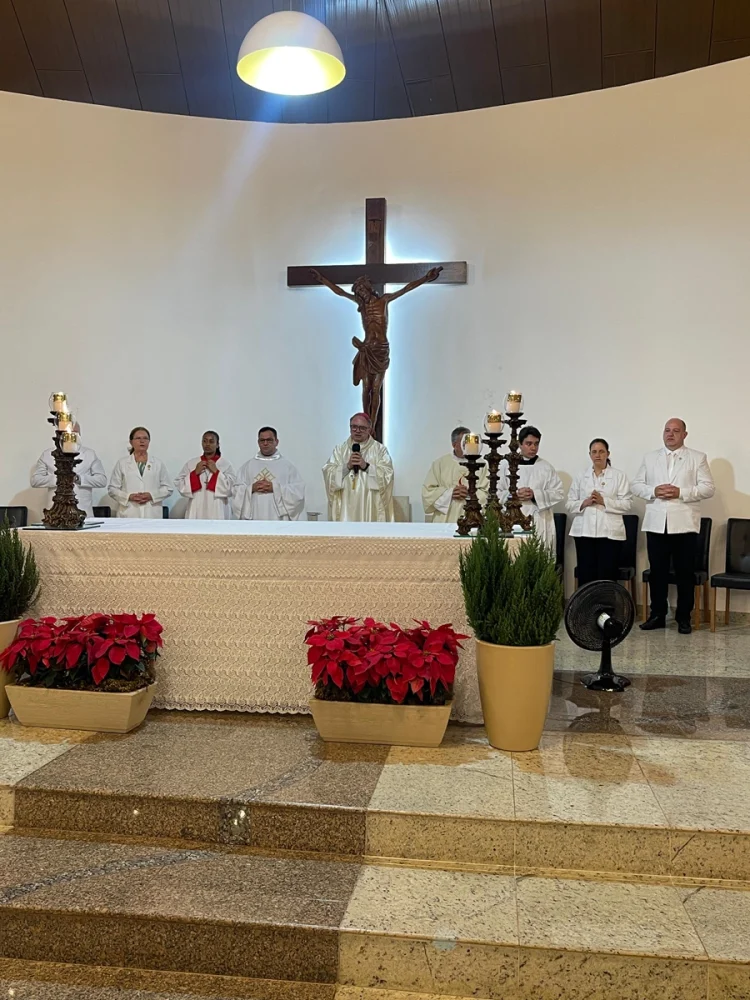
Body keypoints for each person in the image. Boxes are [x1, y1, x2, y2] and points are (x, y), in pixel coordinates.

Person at [632, 418, 715, 634]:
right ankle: (657, 615)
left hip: (684, 525)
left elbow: (708, 488)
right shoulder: (650, 457)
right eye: (667, 430)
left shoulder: (697, 457)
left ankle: (684, 617)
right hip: (656, 524)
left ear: (684, 435)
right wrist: (653, 491)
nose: (670, 434)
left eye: (676, 431)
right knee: (657, 573)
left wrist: (681, 492)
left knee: (684, 574)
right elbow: (636, 485)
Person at [566, 438, 633, 586]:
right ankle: (587, 602)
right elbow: (569, 504)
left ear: (608, 454)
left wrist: (604, 501)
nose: (598, 455)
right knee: (586, 576)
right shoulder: (581, 476)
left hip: (609, 534)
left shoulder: (619, 476)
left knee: (606, 577)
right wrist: (584, 502)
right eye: (594, 452)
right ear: (589, 454)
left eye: (601, 451)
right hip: (584, 533)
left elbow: (627, 504)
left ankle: (606, 602)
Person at [499, 425, 563, 550]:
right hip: (511, 520)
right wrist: (514, 495)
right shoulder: (506, 465)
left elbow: (558, 492)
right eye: (529, 443)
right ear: (520, 444)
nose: (533, 447)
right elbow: (496, 492)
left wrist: (535, 495)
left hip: (539, 520)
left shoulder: (546, 467)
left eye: (536, 444)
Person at [323, 413, 394, 522]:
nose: (357, 431)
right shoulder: (340, 450)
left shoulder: (380, 450)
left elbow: (387, 475)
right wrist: (347, 466)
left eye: (362, 428)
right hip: (346, 504)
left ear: (369, 429)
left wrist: (366, 466)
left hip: (369, 504)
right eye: (354, 427)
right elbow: (328, 472)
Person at [30, 424, 106, 518]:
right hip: (55, 514)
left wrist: (79, 479)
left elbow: (102, 480)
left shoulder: (89, 454)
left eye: (74, 433)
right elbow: (35, 480)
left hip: (83, 512)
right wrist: (59, 479)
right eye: (67, 433)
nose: (70, 437)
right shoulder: (48, 454)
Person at [233, 426, 305, 521]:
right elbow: (236, 490)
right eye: (262, 440)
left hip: (278, 518)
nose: (265, 443)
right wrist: (251, 488)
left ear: (276, 442)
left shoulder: (287, 467)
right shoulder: (247, 466)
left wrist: (275, 488)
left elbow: (298, 492)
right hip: (254, 515)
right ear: (258, 442)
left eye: (269, 440)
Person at [422, 426, 489, 523]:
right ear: (454, 445)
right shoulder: (440, 464)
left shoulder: (481, 464)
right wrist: (450, 493)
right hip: (445, 519)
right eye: (464, 442)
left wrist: (470, 493)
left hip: (474, 517)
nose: (467, 445)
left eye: (470, 442)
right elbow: (428, 493)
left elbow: (488, 493)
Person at [108, 427, 173, 518]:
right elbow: (112, 489)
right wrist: (128, 497)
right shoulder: (122, 463)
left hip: (152, 513)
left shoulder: (158, 463)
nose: (142, 441)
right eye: (138, 438)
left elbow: (168, 488)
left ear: (149, 442)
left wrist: (152, 496)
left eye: (145, 438)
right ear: (131, 442)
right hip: (129, 512)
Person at [175, 431, 236, 520]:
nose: (207, 444)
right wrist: (195, 473)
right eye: (205, 441)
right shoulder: (192, 463)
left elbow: (231, 488)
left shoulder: (225, 465)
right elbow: (180, 485)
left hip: (218, 507)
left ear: (217, 444)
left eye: (211, 441)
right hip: (196, 506)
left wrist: (216, 472)